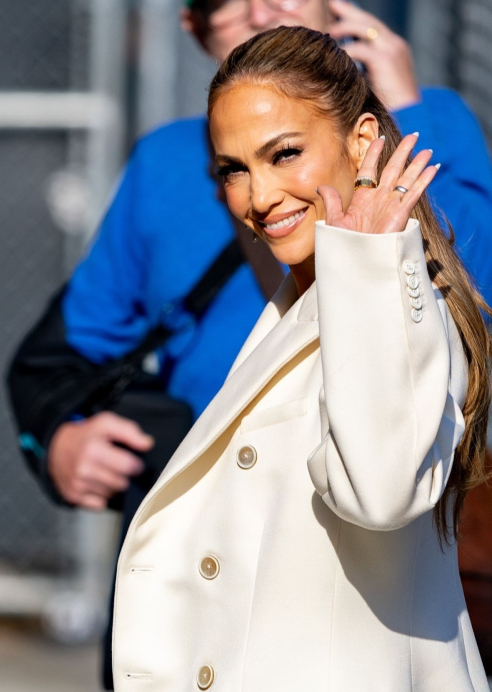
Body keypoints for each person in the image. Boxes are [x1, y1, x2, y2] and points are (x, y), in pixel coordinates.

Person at [113, 26, 491, 691]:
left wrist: (370, 266)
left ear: (363, 141)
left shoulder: (401, 303)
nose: (257, 197)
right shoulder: (303, 306)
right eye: (233, 169)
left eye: (284, 153)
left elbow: (378, 494)